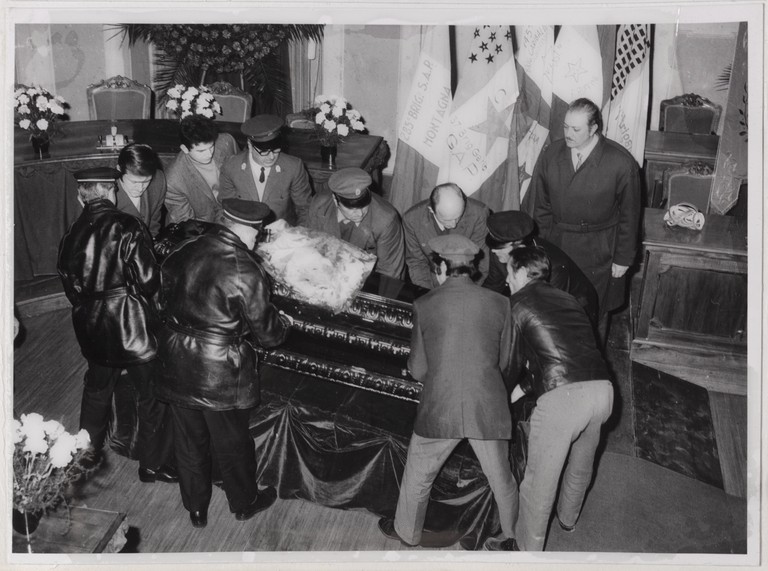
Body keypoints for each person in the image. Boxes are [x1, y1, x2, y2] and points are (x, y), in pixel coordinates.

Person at [155, 198, 292, 529]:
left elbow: (160, 300)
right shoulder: (246, 268)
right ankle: (244, 502)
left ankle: (196, 508)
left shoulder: (183, 249)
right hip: (219, 371)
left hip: (176, 360)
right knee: (232, 441)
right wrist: (283, 321)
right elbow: (269, 335)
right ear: (252, 232)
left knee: (189, 440)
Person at [378, 234, 518, 549]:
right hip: (488, 405)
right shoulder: (501, 302)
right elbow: (507, 363)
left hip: (441, 407)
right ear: (473, 268)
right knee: (502, 480)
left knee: (418, 475)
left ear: (441, 267)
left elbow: (418, 369)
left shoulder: (425, 303)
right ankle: (512, 537)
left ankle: (407, 533)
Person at [57, 167, 176, 484]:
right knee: (152, 396)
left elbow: (71, 289)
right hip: (134, 327)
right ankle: (151, 466)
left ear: (81, 197)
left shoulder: (71, 235)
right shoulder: (128, 225)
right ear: (111, 192)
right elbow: (150, 281)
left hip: (94, 329)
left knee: (96, 393)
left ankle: (83, 462)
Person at [496, 246, 613, 551]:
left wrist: (500, 395)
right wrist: (523, 389)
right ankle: (569, 519)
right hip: (603, 391)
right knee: (581, 462)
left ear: (521, 273)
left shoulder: (518, 303)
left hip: (565, 399)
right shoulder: (569, 298)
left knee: (538, 484)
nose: (507, 279)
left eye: (509, 272)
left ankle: (525, 551)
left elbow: (511, 365)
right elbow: (561, 353)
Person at [527, 98, 641, 340]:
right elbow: (542, 208)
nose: (568, 134)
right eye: (566, 127)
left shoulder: (621, 162)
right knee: (556, 310)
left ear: (594, 128)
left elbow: (630, 217)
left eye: (576, 129)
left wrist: (622, 259)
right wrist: (540, 247)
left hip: (598, 250)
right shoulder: (551, 154)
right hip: (558, 246)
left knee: (593, 314)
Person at [483, 210, 599, 326]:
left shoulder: (553, 266)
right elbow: (494, 284)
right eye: (493, 246)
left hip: (572, 308)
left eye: (499, 248)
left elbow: (550, 311)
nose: (493, 251)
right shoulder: (499, 252)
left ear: (519, 245)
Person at [306, 167, 405, 279]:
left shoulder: (386, 220)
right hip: (327, 272)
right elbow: (311, 247)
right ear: (335, 199)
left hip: (369, 279)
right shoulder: (320, 205)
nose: (359, 213)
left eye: (363, 205)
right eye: (351, 208)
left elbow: (388, 273)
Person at [218, 114, 312, 226]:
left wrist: (294, 236)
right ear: (250, 144)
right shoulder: (231, 166)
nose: (271, 157)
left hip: (281, 236)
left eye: (276, 150)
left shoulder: (293, 167)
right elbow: (224, 208)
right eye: (264, 152)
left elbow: (305, 210)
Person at [402, 183, 490, 289]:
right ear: (431, 209)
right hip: (430, 281)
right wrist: (427, 294)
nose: (453, 224)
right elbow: (416, 262)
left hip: (466, 282)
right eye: (447, 220)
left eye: (458, 217)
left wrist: (465, 292)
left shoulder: (478, 214)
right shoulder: (412, 219)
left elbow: (481, 262)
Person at [164, 114, 239, 224]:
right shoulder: (172, 181)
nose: (209, 154)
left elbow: (243, 176)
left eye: (211, 146)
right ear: (185, 149)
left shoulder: (226, 142)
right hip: (204, 227)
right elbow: (187, 225)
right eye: (201, 151)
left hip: (234, 211)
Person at [115, 143, 168, 237]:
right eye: (134, 182)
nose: (140, 189)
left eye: (146, 181)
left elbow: (154, 224)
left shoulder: (159, 180)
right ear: (119, 170)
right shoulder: (105, 192)